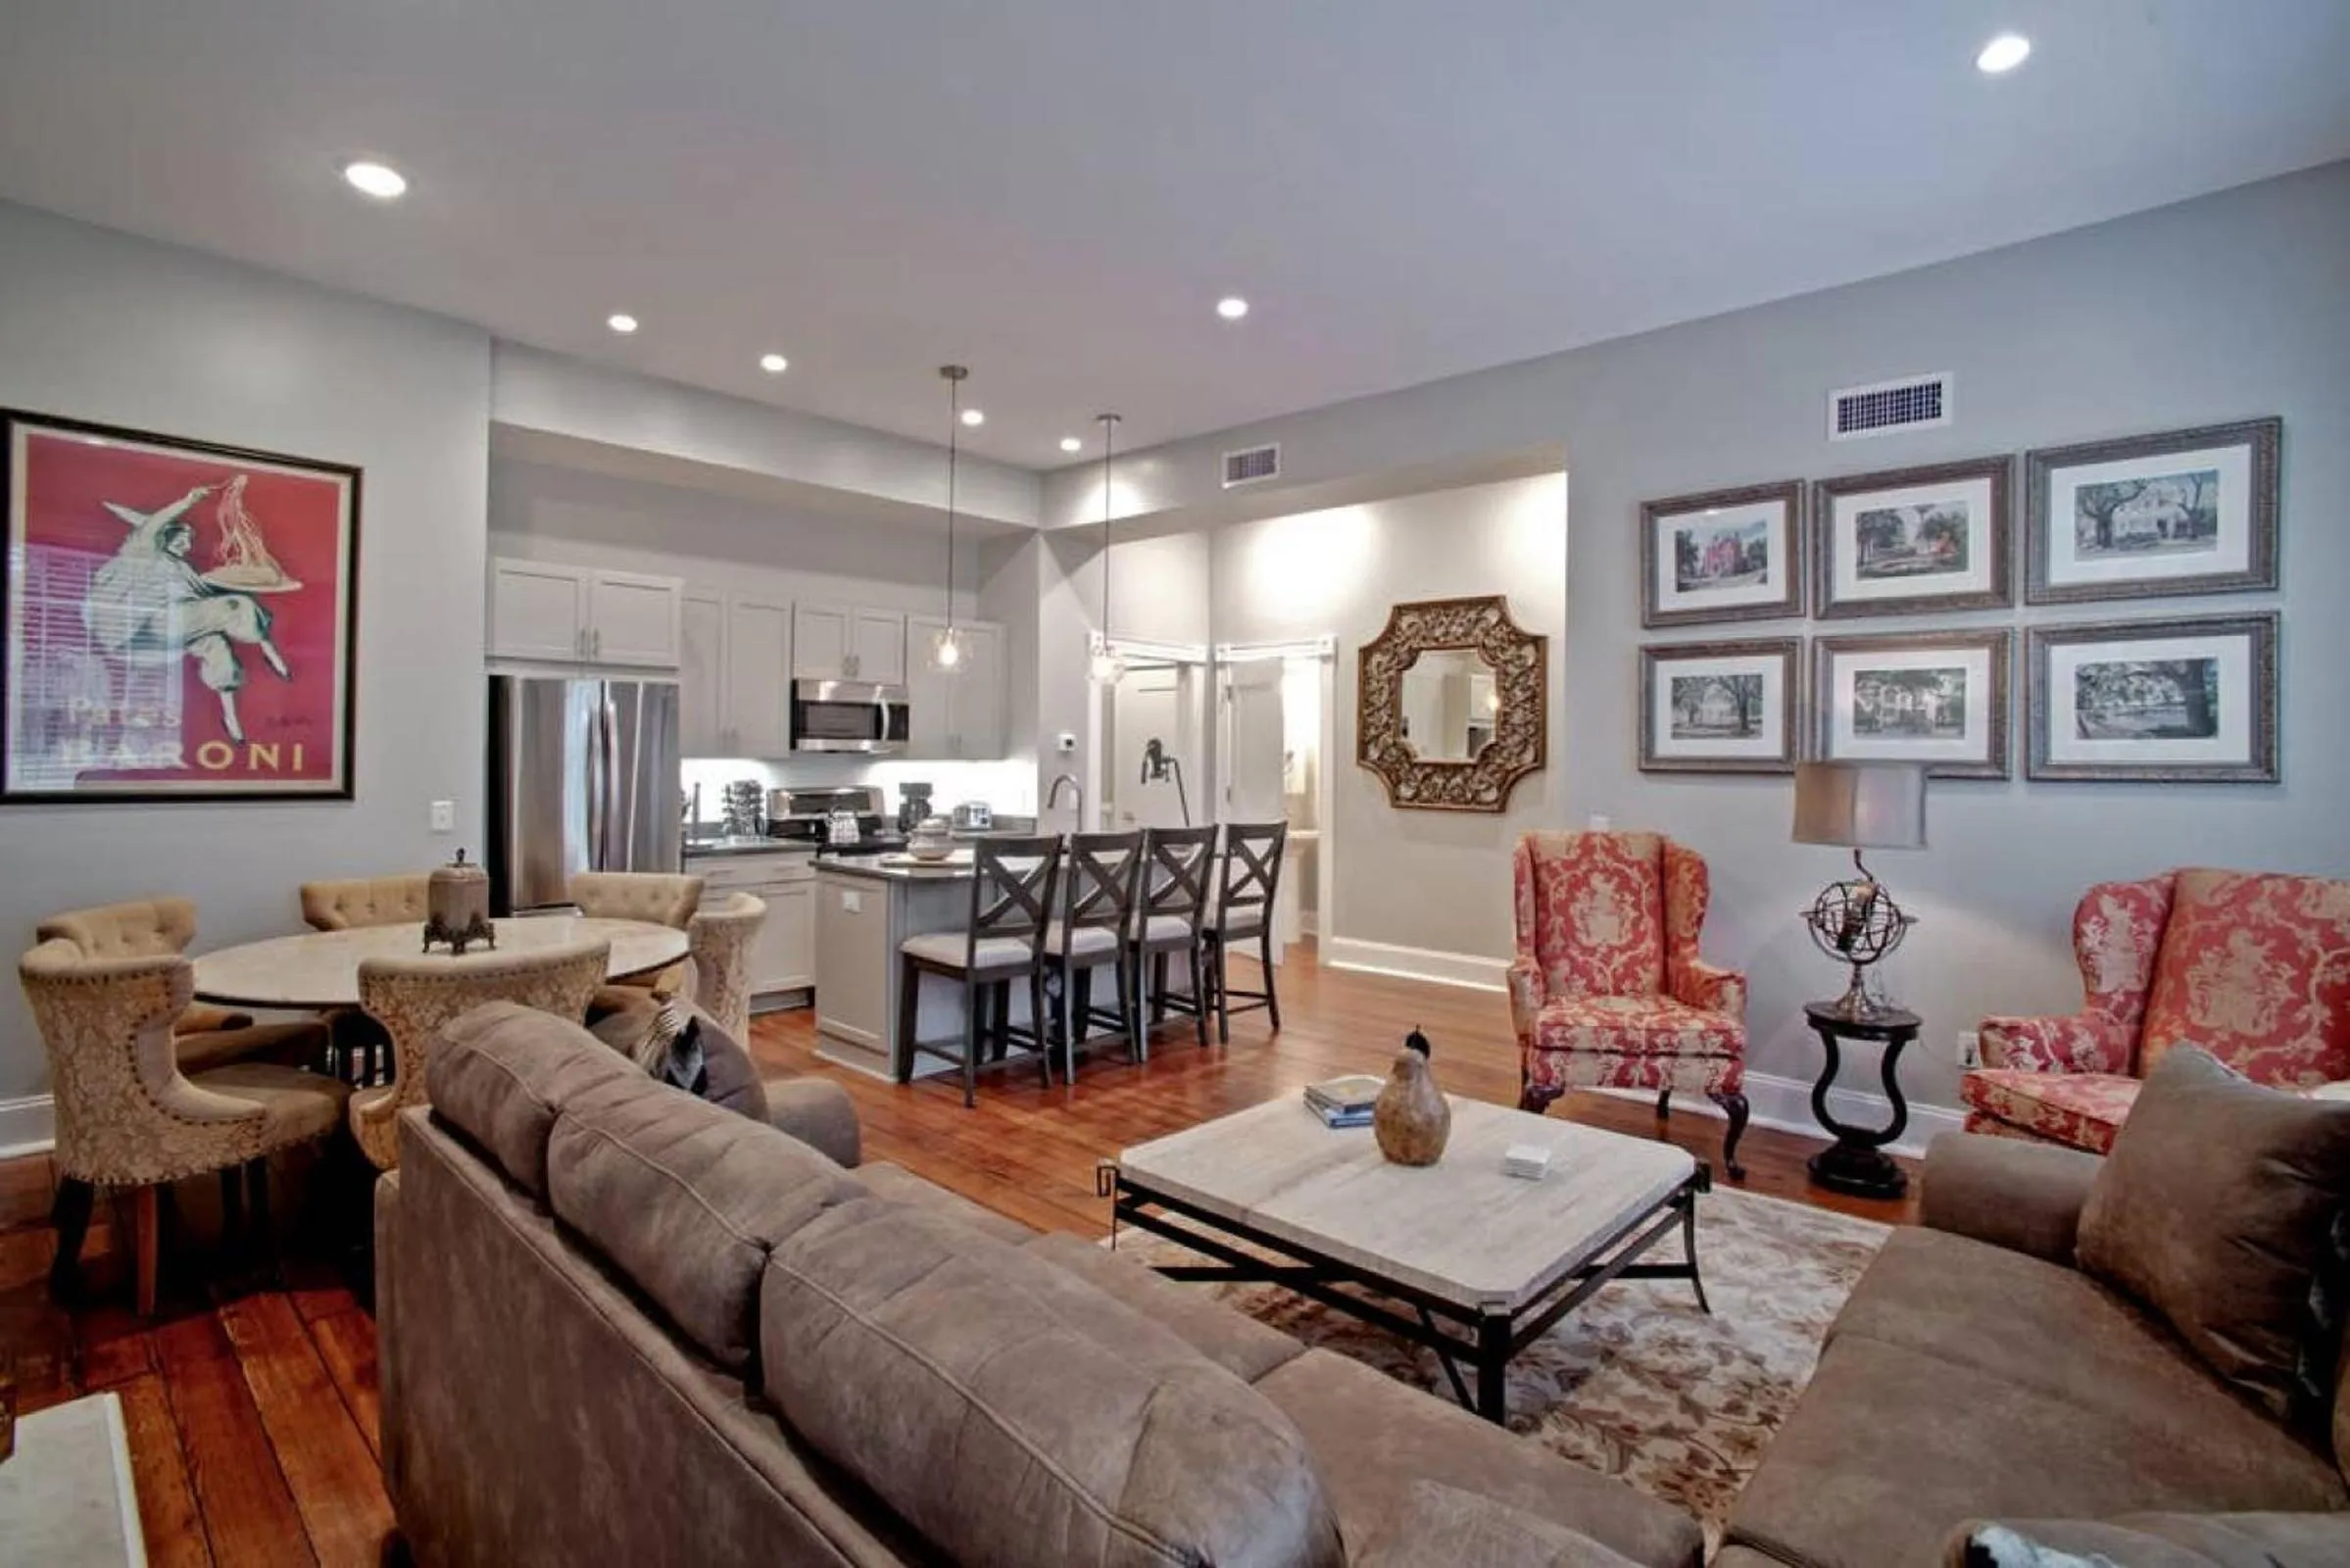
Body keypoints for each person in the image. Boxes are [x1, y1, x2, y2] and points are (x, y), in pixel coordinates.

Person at [82, 483, 290, 744]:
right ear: (164, 539)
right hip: (150, 625)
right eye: (181, 539)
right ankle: (270, 652)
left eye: (189, 540)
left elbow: (200, 599)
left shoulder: (181, 569)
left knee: (217, 646)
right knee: (236, 605)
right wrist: (187, 501)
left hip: (169, 630)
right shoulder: (145, 553)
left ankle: (231, 720)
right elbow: (153, 525)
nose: (187, 544)